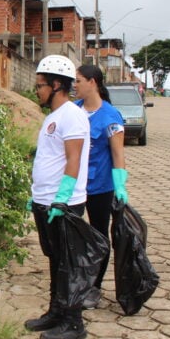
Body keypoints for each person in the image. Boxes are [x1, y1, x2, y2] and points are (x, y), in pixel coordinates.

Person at [25, 55, 91, 339]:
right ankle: (56, 312)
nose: (36, 90)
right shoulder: (52, 117)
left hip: (63, 203)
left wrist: (63, 198)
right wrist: (36, 195)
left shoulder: (72, 115)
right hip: (45, 201)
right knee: (55, 259)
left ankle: (74, 322)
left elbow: (73, 159)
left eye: (40, 85)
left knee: (69, 262)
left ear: (55, 85)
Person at [73, 64, 128, 309]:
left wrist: (120, 187)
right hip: (74, 186)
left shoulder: (110, 116)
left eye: (79, 80)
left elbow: (118, 154)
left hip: (100, 187)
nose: (74, 85)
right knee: (73, 235)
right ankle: (76, 280)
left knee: (98, 236)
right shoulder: (73, 110)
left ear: (93, 82)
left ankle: (94, 287)